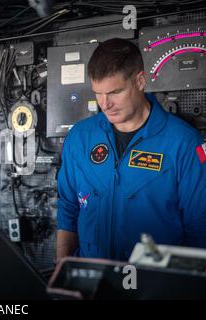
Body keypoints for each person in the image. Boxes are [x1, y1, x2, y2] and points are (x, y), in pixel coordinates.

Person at [56, 38, 206, 262]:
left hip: (154, 285)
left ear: (140, 81)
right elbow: (68, 210)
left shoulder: (184, 144)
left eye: (115, 92)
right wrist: (63, 267)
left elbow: (200, 229)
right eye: (98, 92)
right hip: (93, 280)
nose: (104, 104)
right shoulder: (80, 137)